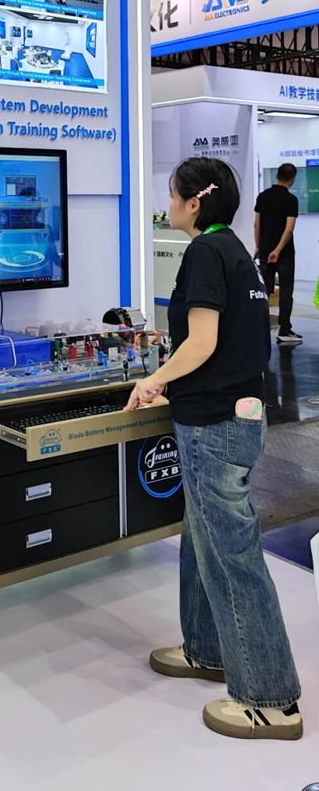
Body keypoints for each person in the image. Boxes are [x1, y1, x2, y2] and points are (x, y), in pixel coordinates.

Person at [126, 157, 302, 741]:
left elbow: (202, 342)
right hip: (242, 411)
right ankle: (207, 648)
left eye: (172, 195)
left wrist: (154, 381)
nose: (168, 205)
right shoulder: (235, 251)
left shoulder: (205, 251)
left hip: (214, 421)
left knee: (232, 554)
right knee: (202, 537)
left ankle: (271, 699)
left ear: (194, 202)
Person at [255, 163, 301, 346]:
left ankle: (260, 326)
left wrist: (259, 247)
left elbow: (256, 224)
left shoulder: (263, 196)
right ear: (292, 179)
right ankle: (284, 329)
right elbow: (289, 230)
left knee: (263, 292)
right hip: (285, 254)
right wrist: (278, 250)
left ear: (277, 176)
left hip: (265, 251)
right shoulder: (291, 200)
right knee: (286, 291)